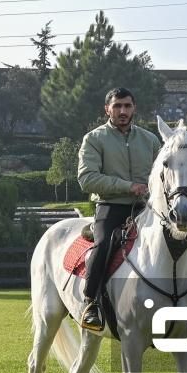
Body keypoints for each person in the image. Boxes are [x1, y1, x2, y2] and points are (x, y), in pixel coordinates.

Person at [75, 87, 162, 332]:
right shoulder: (94, 139)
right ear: (107, 109)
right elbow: (87, 179)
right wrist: (128, 187)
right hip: (111, 207)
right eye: (117, 106)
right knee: (103, 246)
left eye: (127, 106)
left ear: (134, 108)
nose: (122, 111)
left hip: (147, 210)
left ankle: (185, 299)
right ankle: (90, 303)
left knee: (176, 238)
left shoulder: (150, 140)